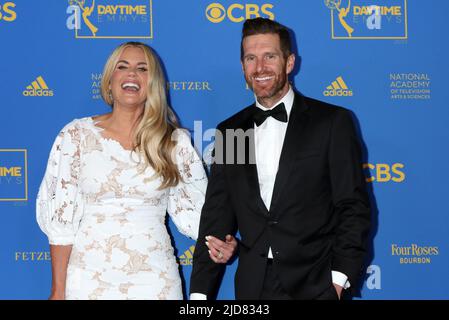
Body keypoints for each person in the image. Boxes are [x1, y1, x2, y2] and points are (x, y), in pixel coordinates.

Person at [36, 42, 236, 300]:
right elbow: (61, 223)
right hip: (88, 280)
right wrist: (58, 290)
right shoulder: (75, 136)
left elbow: (201, 215)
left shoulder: (173, 142)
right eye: (123, 67)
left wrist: (223, 242)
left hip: (154, 281)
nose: (132, 74)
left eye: (142, 69)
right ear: (109, 81)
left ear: (152, 84)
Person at [190, 18, 371, 300]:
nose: (259, 67)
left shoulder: (331, 122)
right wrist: (200, 295)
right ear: (242, 67)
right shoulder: (232, 132)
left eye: (269, 56)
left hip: (317, 282)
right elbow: (217, 218)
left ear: (289, 62)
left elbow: (352, 206)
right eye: (251, 58)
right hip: (253, 287)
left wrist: (338, 279)